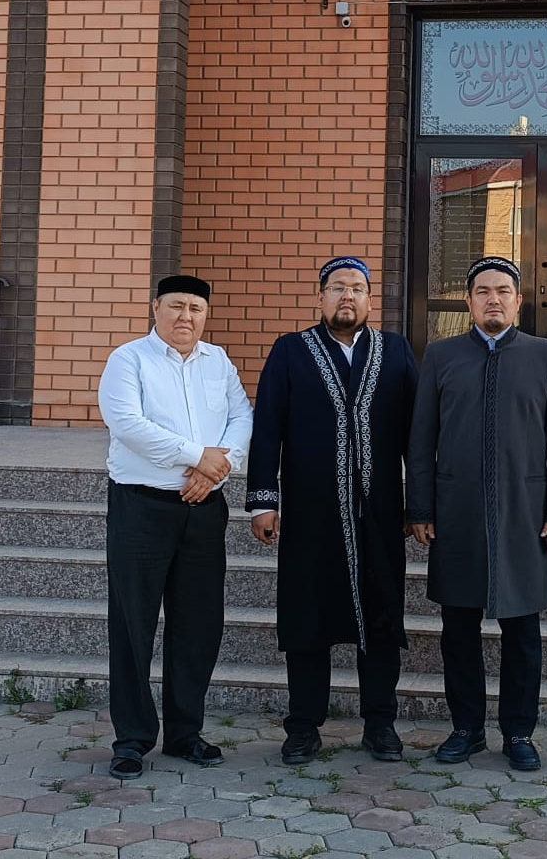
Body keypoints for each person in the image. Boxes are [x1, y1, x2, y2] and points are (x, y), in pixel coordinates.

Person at [406, 256, 547, 771]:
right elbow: (421, 438)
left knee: (522, 631)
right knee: (458, 628)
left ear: (518, 301)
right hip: (456, 511)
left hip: (524, 513)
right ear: (469, 301)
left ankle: (519, 732)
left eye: (503, 291)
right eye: (483, 291)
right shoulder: (441, 355)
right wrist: (420, 506)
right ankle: (466, 729)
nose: (493, 299)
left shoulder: (545, 355)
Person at [247, 256, 419, 765]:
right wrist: (263, 501)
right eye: (338, 287)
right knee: (307, 615)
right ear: (319, 297)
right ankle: (303, 726)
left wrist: (419, 504)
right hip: (310, 512)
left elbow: (417, 433)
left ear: (370, 299)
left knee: (382, 614)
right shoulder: (290, 351)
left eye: (357, 288)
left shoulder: (395, 350)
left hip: (380, 513)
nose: (348, 296)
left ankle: (380, 723)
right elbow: (267, 429)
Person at [96, 275, 253, 781]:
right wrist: (196, 456)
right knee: (133, 625)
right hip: (141, 508)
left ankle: (186, 733)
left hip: (204, 507)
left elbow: (242, 418)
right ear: (156, 308)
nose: (186, 316)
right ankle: (132, 738)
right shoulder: (129, 360)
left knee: (198, 624)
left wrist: (216, 470)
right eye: (177, 306)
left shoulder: (218, 361)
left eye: (196, 308)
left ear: (206, 314)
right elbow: (127, 423)